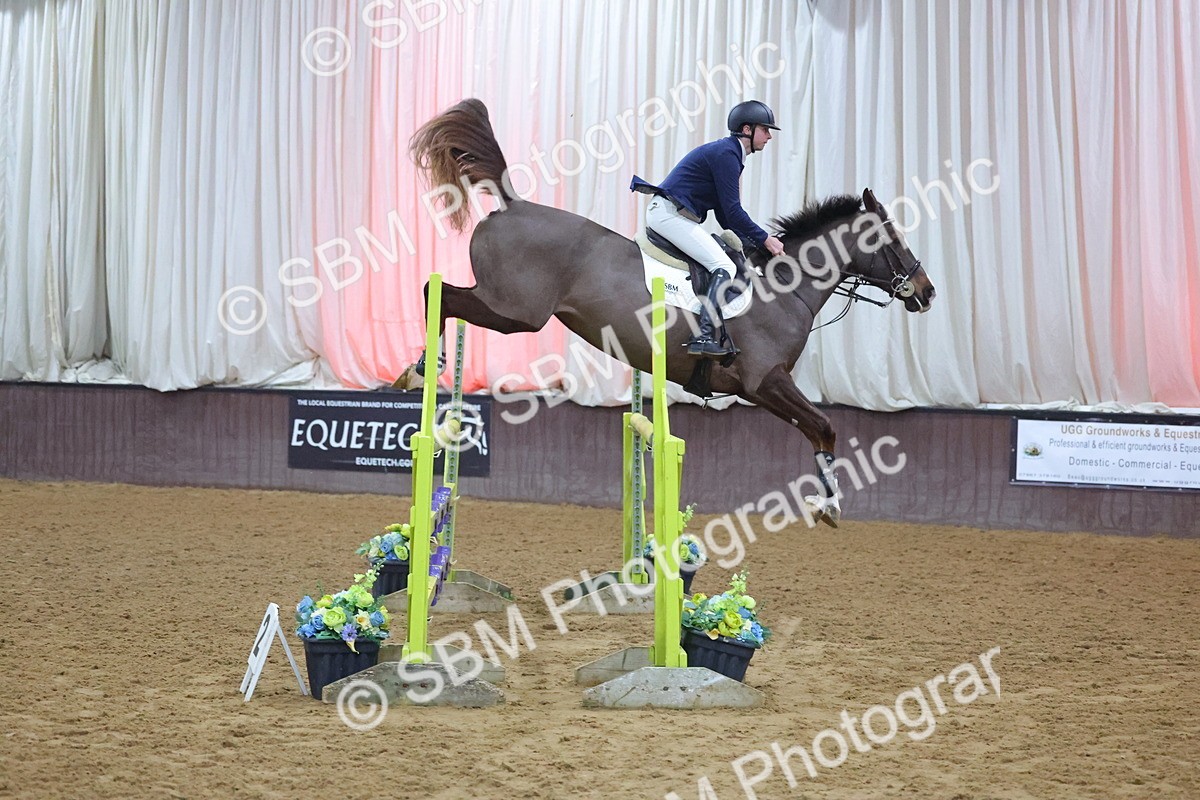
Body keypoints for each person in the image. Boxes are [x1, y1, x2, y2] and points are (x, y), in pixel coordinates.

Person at [631, 100, 787, 358]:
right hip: (668, 215)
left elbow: (726, 217)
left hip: (672, 215)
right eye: (765, 129)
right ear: (747, 129)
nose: (769, 136)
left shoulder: (731, 154)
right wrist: (766, 239)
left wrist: (754, 245)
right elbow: (734, 213)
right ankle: (702, 336)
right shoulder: (727, 154)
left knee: (727, 258)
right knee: (724, 267)